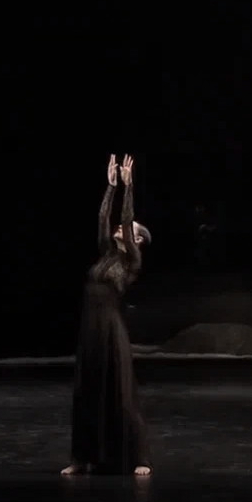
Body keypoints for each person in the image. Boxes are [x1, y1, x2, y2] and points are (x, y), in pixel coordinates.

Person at [61, 154, 152, 477]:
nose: (120, 229)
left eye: (129, 230)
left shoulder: (131, 260)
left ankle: (138, 457)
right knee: (87, 391)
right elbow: (103, 217)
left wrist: (129, 188)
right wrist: (111, 187)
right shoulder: (105, 254)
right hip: (91, 330)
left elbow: (125, 221)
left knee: (121, 393)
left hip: (112, 330)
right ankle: (82, 458)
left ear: (136, 240)